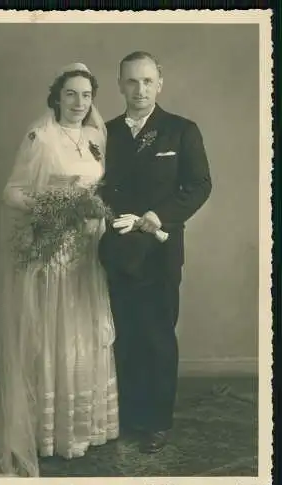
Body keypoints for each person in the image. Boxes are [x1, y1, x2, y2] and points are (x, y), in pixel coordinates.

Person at [0, 63, 119, 478]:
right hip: (53, 252)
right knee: (53, 332)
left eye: (85, 95)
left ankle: (83, 427)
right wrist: (55, 207)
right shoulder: (39, 137)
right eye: (70, 95)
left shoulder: (97, 136)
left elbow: (101, 187)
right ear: (56, 98)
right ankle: (48, 433)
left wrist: (93, 210)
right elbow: (12, 193)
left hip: (88, 253)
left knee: (83, 330)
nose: (79, 103)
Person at [98, 51, 212, 454]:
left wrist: (157, 215)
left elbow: (199, 186)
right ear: (119, 84)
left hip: (160, 252)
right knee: (122, 335)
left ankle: (156, 422)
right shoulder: (104, 131)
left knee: (157, 335)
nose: (139, 90)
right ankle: (127, 416)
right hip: (115, 250)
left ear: (159, 83)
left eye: (147, 81)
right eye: (131, 81)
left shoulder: (181, 130)